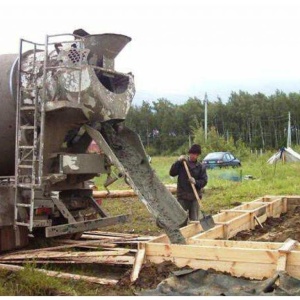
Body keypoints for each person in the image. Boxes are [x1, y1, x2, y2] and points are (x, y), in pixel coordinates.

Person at [169, 144, 208, 222]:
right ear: (189, 153)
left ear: (198, 155)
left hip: (195, 197)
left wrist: (195, 182)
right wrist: (178, 161)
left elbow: (204, 181)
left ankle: (194, 233)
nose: (193, 156)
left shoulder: (201, 167)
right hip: (182, 196)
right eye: (192, 154)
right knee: (180, 220)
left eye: (196, 154)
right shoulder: (182, 163)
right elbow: (172, 173)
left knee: (194, 221)